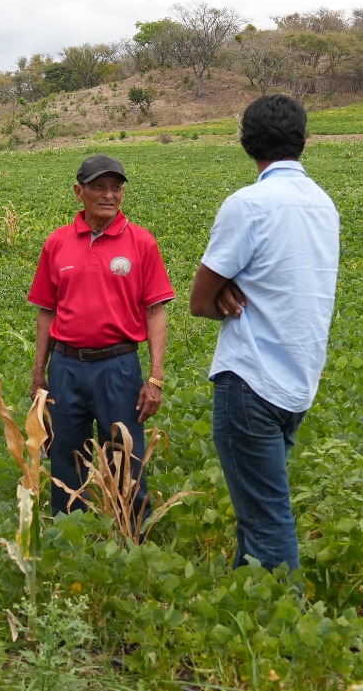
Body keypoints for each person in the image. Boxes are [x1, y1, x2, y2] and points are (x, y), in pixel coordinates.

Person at [189, 94, 339, 571]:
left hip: (250, 381)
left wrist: (225, 290)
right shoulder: (323, 204)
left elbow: (199, 302)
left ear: (246, 141)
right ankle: (248, 602)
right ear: (303, 140)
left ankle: (283, 613)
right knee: (257, 512)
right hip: (298, 381)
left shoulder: (248, 205)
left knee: (266, 520)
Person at [29, 154, 175, 518]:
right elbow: (46, 311)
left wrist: (155, 377)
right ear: (79, 192)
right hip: (66, 367)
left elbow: (155, 312)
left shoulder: (141, 242)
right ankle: (70, 529)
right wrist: (39, 373)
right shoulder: (57, 243)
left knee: (125, 455)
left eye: (116, 187)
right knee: (65, 455)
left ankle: (131, 533)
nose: (109, 195)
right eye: (99, 187)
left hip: (118, 367)